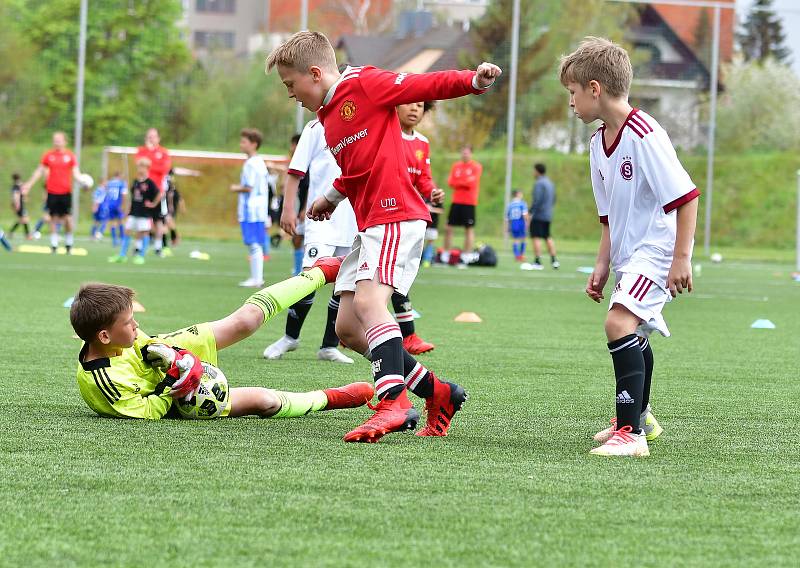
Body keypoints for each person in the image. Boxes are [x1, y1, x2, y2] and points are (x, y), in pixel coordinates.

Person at [267, 30, 501, 442]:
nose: (291, 95)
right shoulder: (327, 117)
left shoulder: (364, 83)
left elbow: (421, 85)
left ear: (315, 73)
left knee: (372, 303)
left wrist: (474, 81)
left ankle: (392, 401)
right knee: (347, 328)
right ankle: (438, 392)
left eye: (291, 85)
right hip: (370, 223)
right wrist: (332, 196)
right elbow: (358, 167)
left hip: (396, 216)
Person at [560, 37, 699, 457]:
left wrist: (682, 259)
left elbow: (687, 197)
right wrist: (601, 265)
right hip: (629, 255)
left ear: (595, 88)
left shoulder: (644, 133)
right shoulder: (596, 143)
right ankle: (641, 416)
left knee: (618, 324)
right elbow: (609, 216)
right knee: (630, 328)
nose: (571, 103)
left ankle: (631, 434)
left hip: (657, 251)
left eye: (572, 93)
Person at [70, 256, 374, 420]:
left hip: (167, 362)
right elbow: (147, 412)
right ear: (105, 335)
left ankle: (318, 273)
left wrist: (170, 355)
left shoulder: (124, 337)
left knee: (246, 321)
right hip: (174, 398)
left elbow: (145, 342)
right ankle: (330, 398)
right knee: (264, 402)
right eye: (128, 322)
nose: (136, 325)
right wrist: (173, 381)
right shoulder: (104, 382)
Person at [263, 118, 357, 364]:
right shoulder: (316, 128)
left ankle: (328, 346)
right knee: (309, 278)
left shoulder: (363, 121)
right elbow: (295, 172)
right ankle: (290, 337)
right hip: (321, 218)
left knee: (345, 285)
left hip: (354, 221)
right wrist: (288, 210)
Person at [395, 100, 443, 354]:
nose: (415, 109)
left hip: (408, 216)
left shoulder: (422, 143)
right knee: (391, 275)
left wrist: (432, 192)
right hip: (386, 213)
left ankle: (348, 331)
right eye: (409, 104)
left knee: (392, 275)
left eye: (421, 105)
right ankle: (408, 336)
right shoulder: (386, 133)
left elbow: (423, 177)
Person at [21, 131, 86, 254]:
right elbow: (39, 171)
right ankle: (54, 243)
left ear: (65, 141)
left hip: (65, 192)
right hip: (52, 191)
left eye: (59, 140)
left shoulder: (70, 156)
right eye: (55, 140)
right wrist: (28, 184)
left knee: (67, 218)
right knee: (53, 217)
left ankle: (69, 242)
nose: (56, 142)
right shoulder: (48, 155)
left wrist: (84, 183)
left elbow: (76, 174)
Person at [230, 128, 270, 287]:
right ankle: (256, 277)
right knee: (256, 244)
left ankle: (256, 279)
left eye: (244, 142)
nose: (241, 144)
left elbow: (249, 187)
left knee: (253, 245)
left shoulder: (251, 164)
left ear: (254, 144)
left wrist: (235, 188)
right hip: (259, 209)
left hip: (251, 210)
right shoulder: (260, 162)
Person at [109, 158, 159, 265]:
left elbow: (159, 193)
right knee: (127, 231)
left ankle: (141, 256)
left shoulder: (150, 183)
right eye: (138, 167)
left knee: (143, 233)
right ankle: (122, 255)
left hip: (144, 213)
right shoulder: (136, 182)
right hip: (134, 212)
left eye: (141, 167)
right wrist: (128, 209)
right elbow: (133, 197)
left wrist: (153, 204)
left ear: (147, 168)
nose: (139, 169)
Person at [135, 128, 171, 257]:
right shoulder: (141, 150)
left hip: (157, 191)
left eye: (153, 136)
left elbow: (164, 169)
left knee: (158, 220)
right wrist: (150, 158)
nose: (151, 139)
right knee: (140, 220)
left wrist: (150, 163)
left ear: (158, 138)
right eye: (149, 136)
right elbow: (139, 165)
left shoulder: (163, 152)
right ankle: (138, 248)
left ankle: (158, 247)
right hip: (144, 191)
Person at [444, 144, 482, 253]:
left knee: (468, 229)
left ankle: (467, 254)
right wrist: (463, 181)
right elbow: (450, 182)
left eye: (466, 152)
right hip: (456, 201)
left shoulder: (476, 166)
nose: (464, 154)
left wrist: (459, 181)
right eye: (463, 152)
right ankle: (446, 254)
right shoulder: (456, 166)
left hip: (469, 202)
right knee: (448, 227)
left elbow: (471, 183)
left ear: (471, 154)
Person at [530, 163, 559, 269]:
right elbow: (554, 199)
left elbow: (537, 200)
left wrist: (530, 212)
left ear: (537, 171)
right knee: (547, 236)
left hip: (539, 215)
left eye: (534, 170)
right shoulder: (550, 183)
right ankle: (554, 260)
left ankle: (537, 261)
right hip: (548, 214)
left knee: (536, 237)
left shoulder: (539, 183)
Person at [104, 172, 128, 247]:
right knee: (120, 221)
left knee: (113, 222)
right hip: (118, 204)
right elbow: (123, 195)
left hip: (110, 205)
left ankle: (114, 240)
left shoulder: (109, 183)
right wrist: (123, 206)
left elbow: (106, 192)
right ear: (119, 176)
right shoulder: (122, 183)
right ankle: (122, 239)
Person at [505, 189, 529, 261]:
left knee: (516, 240)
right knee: (524, 239)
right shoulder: (522, 203)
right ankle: (521, 255)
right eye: (521, 193)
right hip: (520, 222)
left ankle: (517, 256)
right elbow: (525, 215)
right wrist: (527, 223)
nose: (522, 195)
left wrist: (507, 227)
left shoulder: (510, 204)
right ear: (518, 194)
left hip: (513, 223)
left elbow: (507, 218)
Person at [9, 173, 31, 239]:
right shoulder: (16, 187)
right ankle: (27, 235)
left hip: (20, 205)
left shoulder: (17, 186)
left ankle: (11, 232)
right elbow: (16, 196)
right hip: (19, 206)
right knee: (25, 220)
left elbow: (22, 195)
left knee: (21, 220)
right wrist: (17, 205)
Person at [164, 169, 182, 247]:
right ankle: (174, 239)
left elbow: (175, 197)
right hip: (165, 208)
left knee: (169, 225)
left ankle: (174, 239)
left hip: (169, 209)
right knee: (168, 225)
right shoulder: (165, 182)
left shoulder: (170, 186)